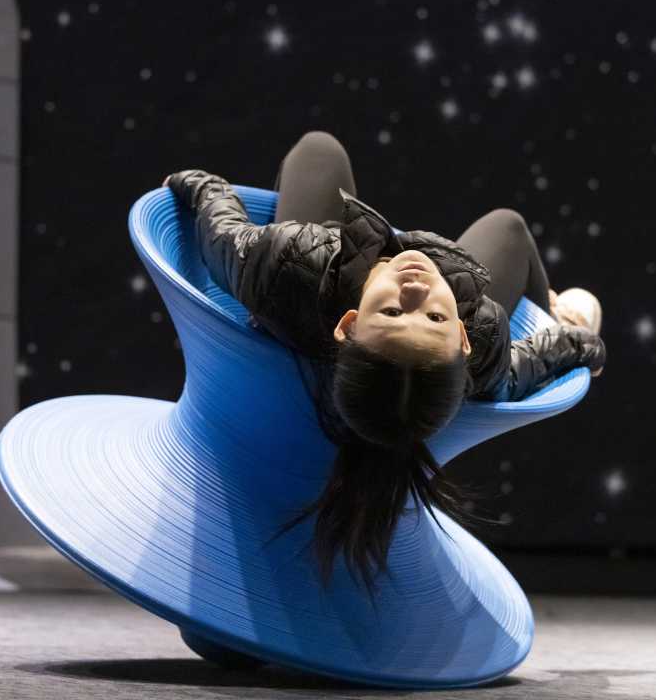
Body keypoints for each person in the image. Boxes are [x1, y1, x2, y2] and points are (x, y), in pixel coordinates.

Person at [163, 131, 605, 591]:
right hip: (409, 306)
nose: (414, 289)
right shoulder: (481, 335)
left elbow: (218, 229)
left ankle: (515, 312)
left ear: (348, 325)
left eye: (394, 312)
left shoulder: (284, 265)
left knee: (319, 149)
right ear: (460, 338)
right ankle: (551, 309)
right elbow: (518, 372)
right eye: (432, 316)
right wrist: (578, 341)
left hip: (316, 285)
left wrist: (196, 182)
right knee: (509, 227)